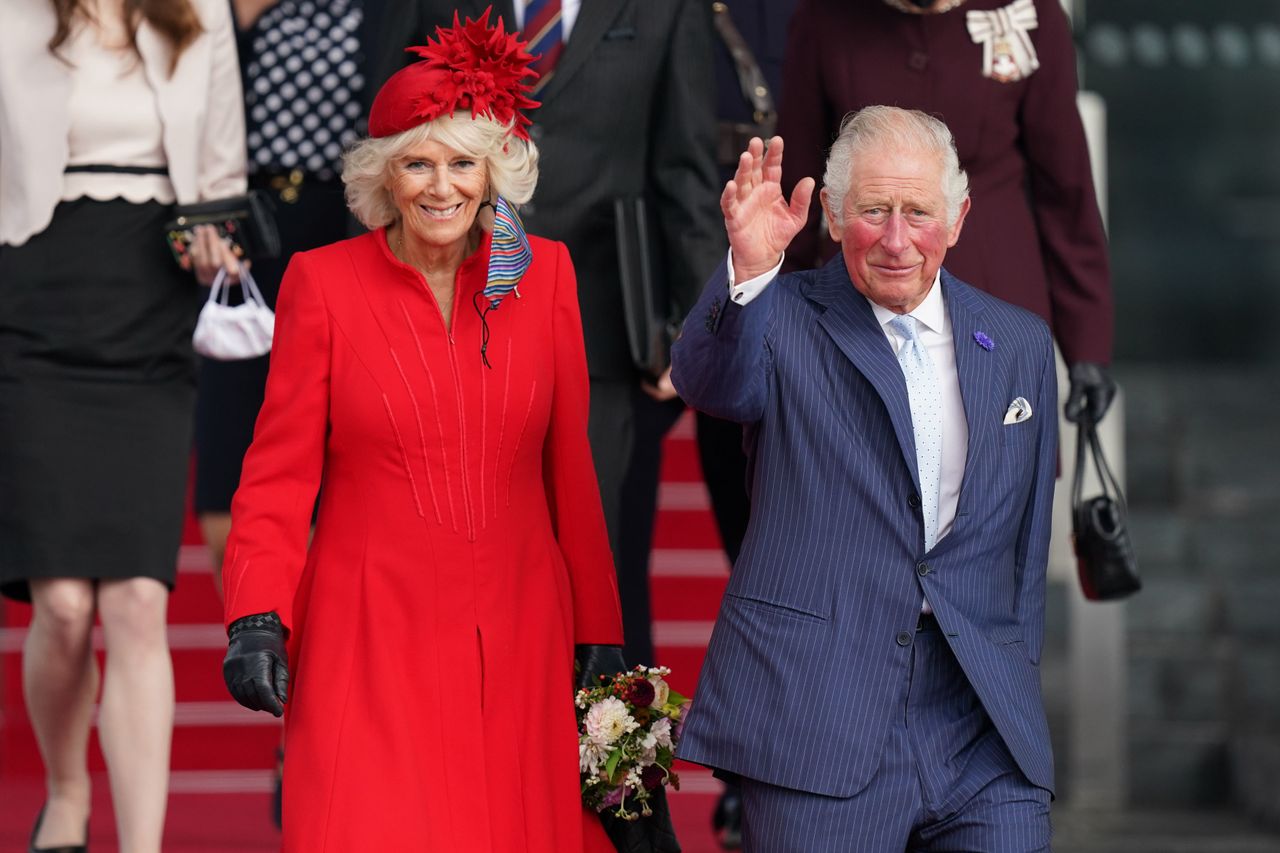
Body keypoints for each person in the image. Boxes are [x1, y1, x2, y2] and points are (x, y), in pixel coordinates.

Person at [218, 12, 675, 850]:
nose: (441, 187)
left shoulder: (547, 279)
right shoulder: (322, 284)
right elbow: (278, 475)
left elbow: (570, 474)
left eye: (463, 163)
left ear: (494, 172)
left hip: (519, 634)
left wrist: (601, 635)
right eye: (416, 164)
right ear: (380, 177)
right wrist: (255, 614)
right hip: (367, 635)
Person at [672, 106, 1058, 850]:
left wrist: (1016, 684)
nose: (895, 239)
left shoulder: (1017, 344)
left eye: (918, 212)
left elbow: (1026, 550)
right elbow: (709, 382)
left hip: (981, 726)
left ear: (959, 216)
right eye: (874, 211)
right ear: (832, 213)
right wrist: (750, 274)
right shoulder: (782, 317)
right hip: (819, 710)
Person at [0, 1, 245, 850]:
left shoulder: (198, 10)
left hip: (152, 301)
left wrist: (222, 240)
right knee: (63, 604)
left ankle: (142, 843)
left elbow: (221, 170)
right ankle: (66, 791)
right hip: (29, 296)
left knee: (138, 597)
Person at [779, 0, 1117, 427]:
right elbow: (798, 192)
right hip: (863, 302)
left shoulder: (1031, 13)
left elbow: (1066, 193)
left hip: (997, 300)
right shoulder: (824, 17)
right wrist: (778, 322)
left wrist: (1087, 344)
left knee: (998, 478)